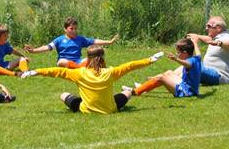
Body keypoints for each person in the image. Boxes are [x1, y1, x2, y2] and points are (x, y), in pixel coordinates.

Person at [21, 45, 163, 114]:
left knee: (63, 95)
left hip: (86, 110)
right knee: (127, 93)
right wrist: (150, 59)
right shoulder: (110, 72)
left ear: (87, 58)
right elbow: (130, 66)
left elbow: (55, 71)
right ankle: (128, 92)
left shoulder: (80, 73)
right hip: (110, 110)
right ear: (103, 57)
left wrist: (35, 71)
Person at [24, 17, 119, 68]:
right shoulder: (59, 40)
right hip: (64, 61)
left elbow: (94, 41)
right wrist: (34, 50)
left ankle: (83, 68)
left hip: (77, 61)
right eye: (71, 29)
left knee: (93, 59)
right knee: (61, 62)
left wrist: (110, 42)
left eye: (75, 29)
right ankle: (80, 68)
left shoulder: (80, 39)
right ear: (65, 29)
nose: (74, 31)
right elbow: (47, 47)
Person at [123, 38, 201, 98]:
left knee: (161, 78)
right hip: (187, 87)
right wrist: (195, 43)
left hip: (187, 91)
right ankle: (144, 87)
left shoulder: (190, 62)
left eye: (178, 52)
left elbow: (188, 64)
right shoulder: (197, 58)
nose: (177, 54)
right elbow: (198, 53)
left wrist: (176, 59)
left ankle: (135, 92)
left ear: (185, 53)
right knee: (169, 72)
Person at [187, 16, 229, 85]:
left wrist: (219, 43)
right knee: (186, 65)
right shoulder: (217, 37)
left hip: (220, 76)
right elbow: (208, 39)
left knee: (193, 67)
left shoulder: (226, 37)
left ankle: (178, 85)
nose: (206, 29)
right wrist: (197, 36)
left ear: (219, 28)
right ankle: (172, 77)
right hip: (210, 72)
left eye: (209, 26)